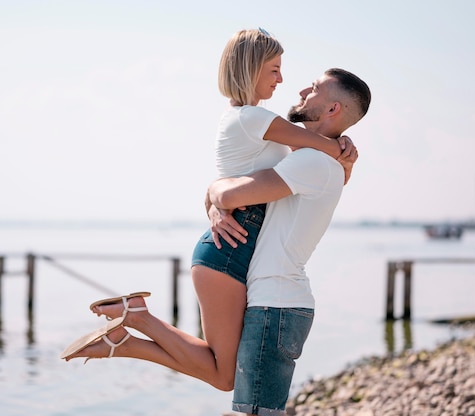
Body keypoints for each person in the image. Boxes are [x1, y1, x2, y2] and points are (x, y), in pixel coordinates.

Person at [60, 29, 356, 392]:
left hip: (235, 244)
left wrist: (339, 159)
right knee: (223, 376)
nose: (281, 79)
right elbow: (316, 148)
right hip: (230, 249)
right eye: (274, 69)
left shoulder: (250, 118)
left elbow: (301, 179)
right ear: (251, 69)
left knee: (223, 374)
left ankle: (125, 338)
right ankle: (135, 323)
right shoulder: (252, 118)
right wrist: (343, 149)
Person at [207, 67, 371, 415]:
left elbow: (230, 193)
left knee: (254, 411)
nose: (300, 91)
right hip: (276, 302)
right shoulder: (313, 160)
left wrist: (212, 192)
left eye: (313, 89)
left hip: (275, 304)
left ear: (332, 110)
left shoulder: (311, 162)